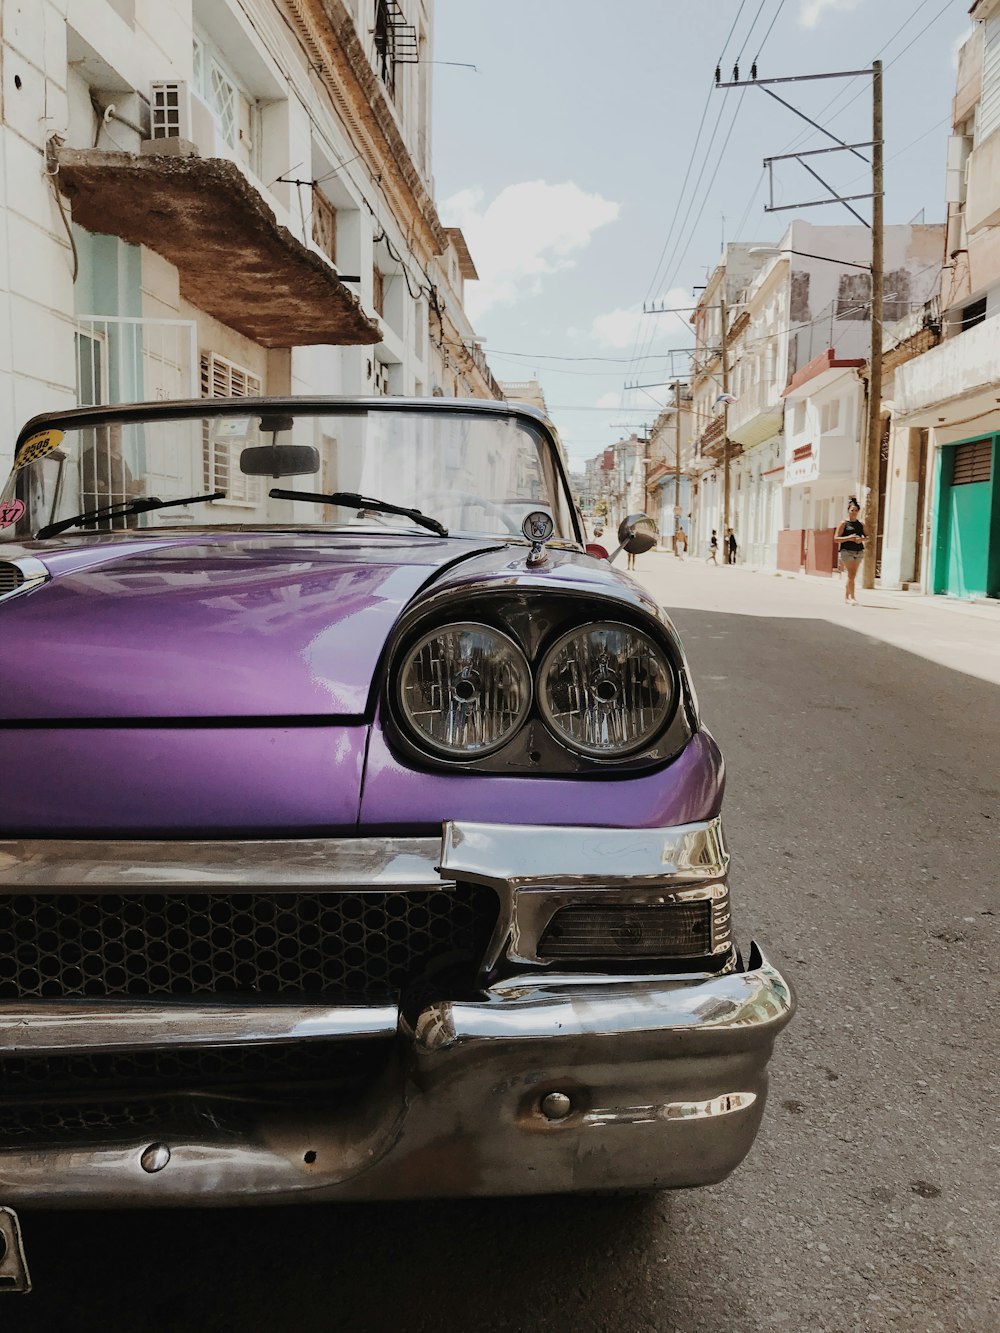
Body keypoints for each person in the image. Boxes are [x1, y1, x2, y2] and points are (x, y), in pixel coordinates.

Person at [834, 496, 867, 604]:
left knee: (852, 575)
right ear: (848, 510)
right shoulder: (843, 523)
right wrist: (848, 538)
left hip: (859, 550)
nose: (854, 512)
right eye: (852, 510)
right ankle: (852, 597)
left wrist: (860, 539)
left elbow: (867, 537)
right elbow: (836, 538)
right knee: (851, 573)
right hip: (846, 550)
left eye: (856, 510)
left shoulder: (861, 524)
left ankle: (846, 597)